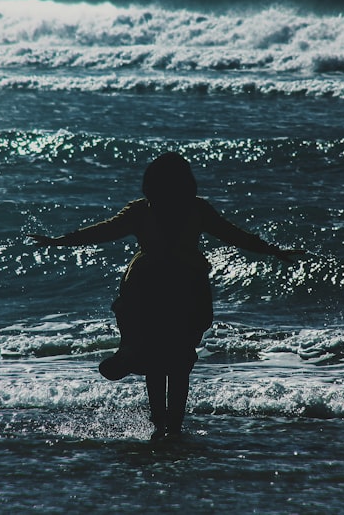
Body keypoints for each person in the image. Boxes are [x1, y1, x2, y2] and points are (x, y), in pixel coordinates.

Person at [29, 152, 301, 440]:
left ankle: (150, 402)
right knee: (179, 361)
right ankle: (172, 427)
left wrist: (62, 241)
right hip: (185, 290)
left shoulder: (142, 210)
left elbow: (105, 231)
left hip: (147, 289)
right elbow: (234, 235)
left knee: (155, 360)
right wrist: (272, 250)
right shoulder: (196, 210)